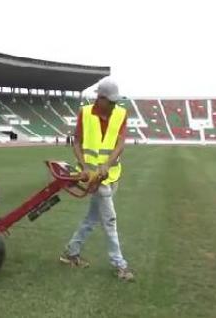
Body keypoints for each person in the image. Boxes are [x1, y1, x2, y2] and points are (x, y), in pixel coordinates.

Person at [59, 78, 134, 281]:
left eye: (115, 101)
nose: (113, 105)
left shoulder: (120, 113)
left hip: (111, 175)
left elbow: (120, 142)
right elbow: (77, 141)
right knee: (109, 220)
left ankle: (71, 253)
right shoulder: (85, 113)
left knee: (92, 219)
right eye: (110, 101)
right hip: (92, 177)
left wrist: (108, 165)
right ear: (99, 98)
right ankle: (120, 265)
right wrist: (84, 166)